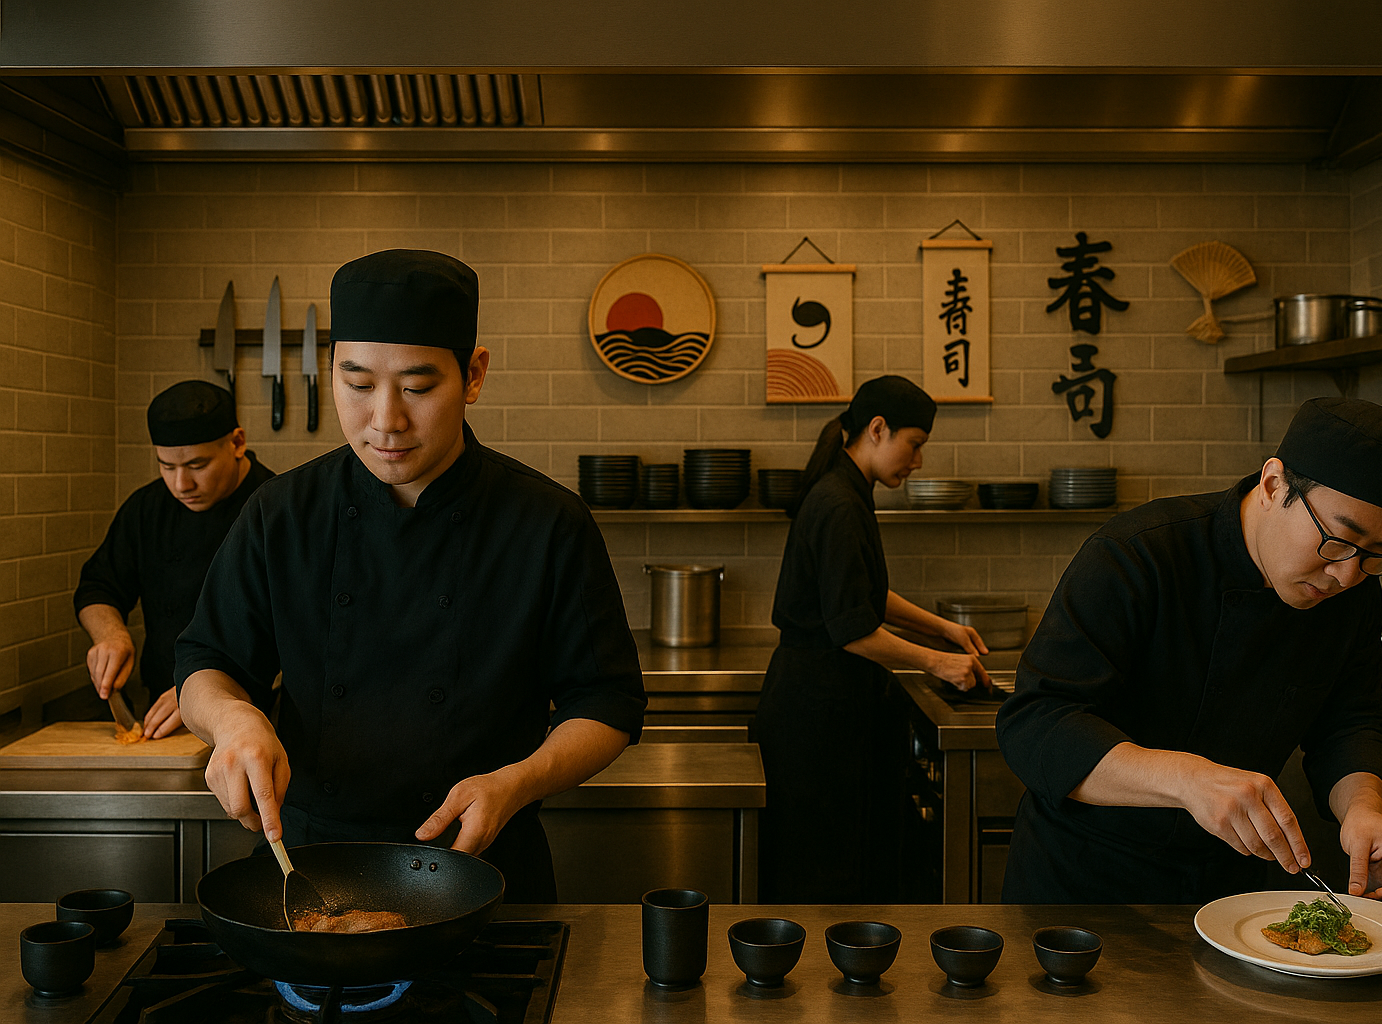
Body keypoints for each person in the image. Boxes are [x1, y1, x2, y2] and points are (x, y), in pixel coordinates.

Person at [175, 249, 647, 901]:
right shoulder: (281, 514)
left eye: (418, 387)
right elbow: (206, 658)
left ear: (474, 375)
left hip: (487, 873)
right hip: (312, 874)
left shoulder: (546, 522)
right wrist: (231, 719)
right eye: (358, 383)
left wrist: (518, 781)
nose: (385, 421)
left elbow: (607, 703)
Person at [997, 397, 1382, 904]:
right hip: (1085, 884)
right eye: (1338, 541)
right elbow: (1036, 722)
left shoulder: (1351, 582)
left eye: (1378, 556)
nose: (1346, 574)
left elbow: (1351, 720)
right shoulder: (1139, 554)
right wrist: (1187, 779)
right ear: (1274, 485)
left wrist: (1363, 809)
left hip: (1235, 892)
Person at [752, 375, 992, 903]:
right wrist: (937, 662)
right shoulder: (838, 502)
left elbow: (861, 593)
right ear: (878, 430)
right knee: (822, 873)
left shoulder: (846, 490)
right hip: (815, 716)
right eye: (916, 444)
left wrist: (942, 627)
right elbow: (852, 629)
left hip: (824, 707)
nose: (919, 462)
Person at [74, 381, 272, 739]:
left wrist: (205, 697)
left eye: (198, 465)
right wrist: (111, 634)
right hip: (163, 718)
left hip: (259, 721)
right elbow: (98, 585)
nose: (181, 484)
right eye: (166, 466)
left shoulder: (276, 510)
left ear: (238, 443)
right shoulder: (146, 509)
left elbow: (309, 637)